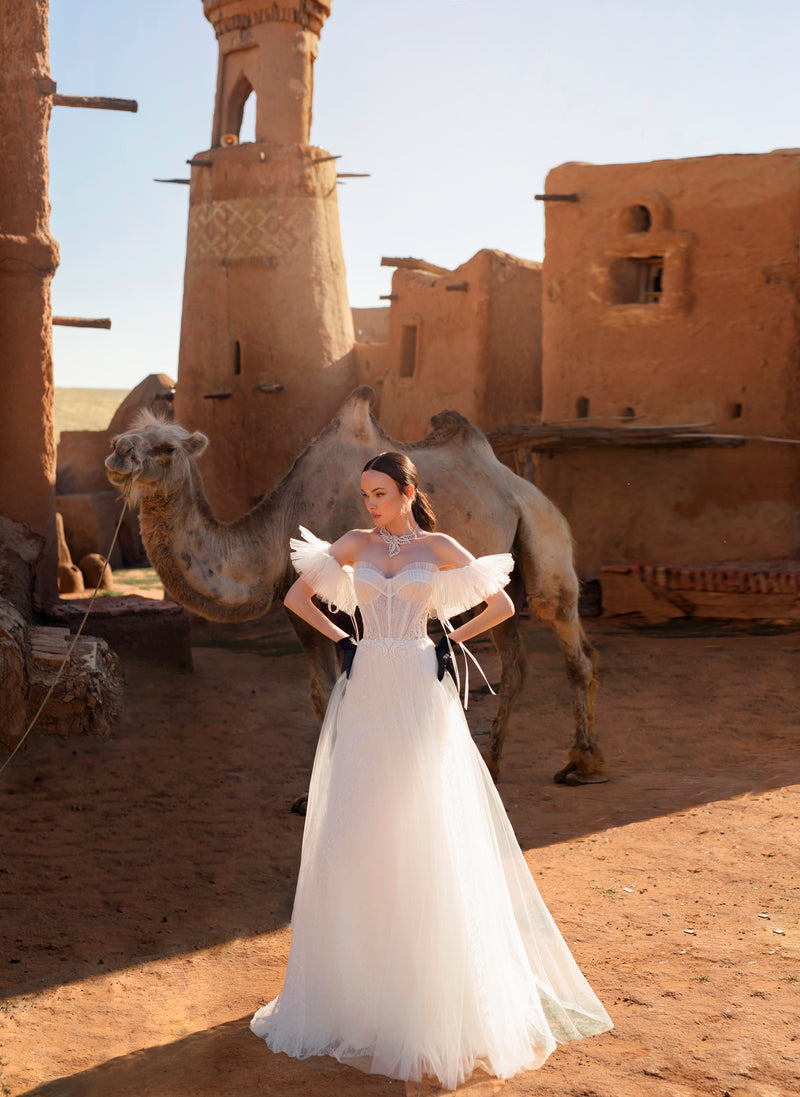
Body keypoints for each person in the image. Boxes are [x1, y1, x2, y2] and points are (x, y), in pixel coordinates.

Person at [250, 452, 612, 1091]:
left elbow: (501, 604)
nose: (371, 504)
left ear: (409, 491)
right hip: (365, 689)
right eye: (366, 494)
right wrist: (343, 638)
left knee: (428, 821)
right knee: (361, 826)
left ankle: (432, 989)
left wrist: (451, 636)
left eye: (381, 492)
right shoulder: (356, 542)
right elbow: (297, 594)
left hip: (420, 684)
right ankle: (358, 988)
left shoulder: (440, 545)